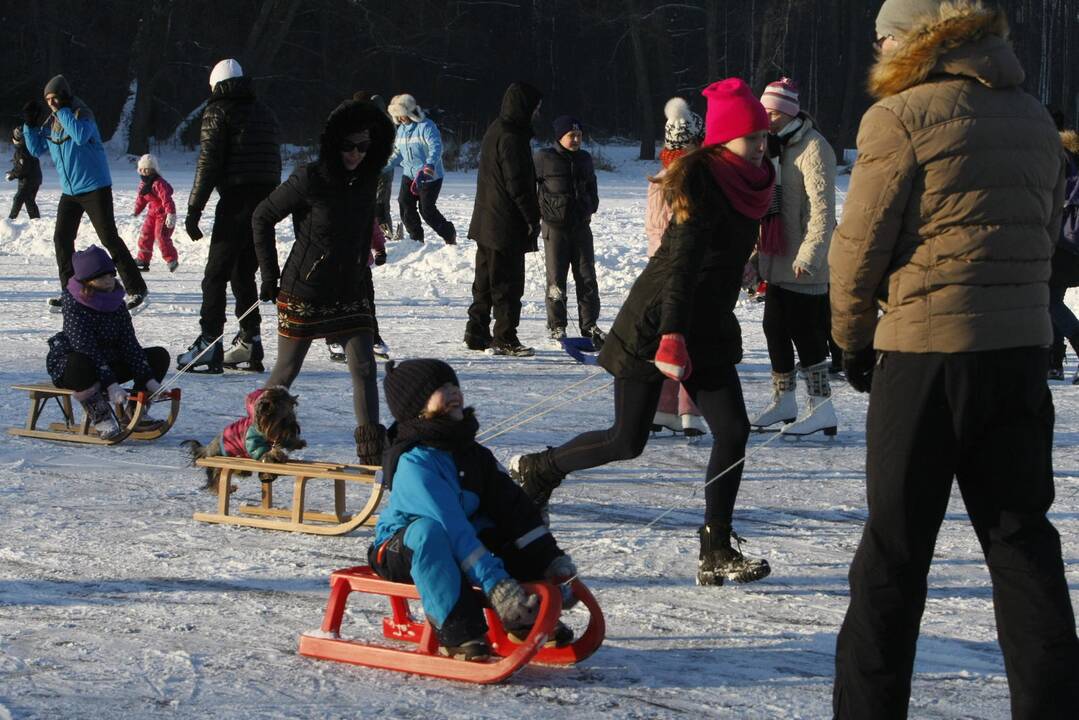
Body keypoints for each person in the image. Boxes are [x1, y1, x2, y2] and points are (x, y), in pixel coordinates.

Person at [829, 2, 1079, 717]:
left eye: (881, 35)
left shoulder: (901, 117)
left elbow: (858, 247)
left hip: (926, 358)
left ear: (912, 41)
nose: (874, 47)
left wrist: (849, 337)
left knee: (893, 555)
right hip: (1018, 354)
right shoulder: (1033, 117)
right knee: (1020, 540)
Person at [511, 78, 774, 587]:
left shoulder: (756, 180)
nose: (761, 146)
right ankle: (542, 469)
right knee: (626, 440)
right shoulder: (703, 184)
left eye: (764, 136)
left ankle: (716, 547)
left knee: (734, 431)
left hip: (710, 324)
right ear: (723, 142)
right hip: (659, 320)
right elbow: (678, 268)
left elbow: (730, 249)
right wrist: (672, 335)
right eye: (751, 138)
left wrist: (751, 262)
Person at [369, 358, 578, 660]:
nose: (453, 392)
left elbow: (515, 509)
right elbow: (452, 528)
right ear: (417, 406)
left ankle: (524, 615)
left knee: (498, 527)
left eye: (454, 384)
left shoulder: (473, 454)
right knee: (431, 533)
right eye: (441, 388)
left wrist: (551, 561)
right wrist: (497, 587)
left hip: (458, 542)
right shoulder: (415, 463)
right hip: (401, 550)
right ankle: (457, 631)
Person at [251, 99, 394, 466]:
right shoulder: (309, 178)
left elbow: (364, 235)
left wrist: (366, 288)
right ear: (333, 144)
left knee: (364, 368)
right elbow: (262, 217)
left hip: (350, 290)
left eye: (364, 147)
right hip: (306, 290)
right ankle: (253, 439)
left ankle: (372, 457)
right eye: (348, 146)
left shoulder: (367, 182)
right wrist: (269, 275)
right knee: (286, 371)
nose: (356, 154)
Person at [178, 58, 281, 374]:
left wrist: (194, 210)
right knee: (242, 272)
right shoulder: (264, 111)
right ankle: (251, 340)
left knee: (215, 274)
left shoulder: (217, 111)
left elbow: (208, 163)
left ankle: (209, 342)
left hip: (236, 200)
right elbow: (274, 160)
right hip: (265, 202)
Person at [748, 77, 838, 436]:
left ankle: (822, 407)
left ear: (787, 113)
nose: (765, 118)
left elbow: (823, 211)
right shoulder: (773, 148)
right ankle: (784, 400)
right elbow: (767, 210)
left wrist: (811, 254)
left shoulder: (815, 148)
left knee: (807, 334)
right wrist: (757, 257)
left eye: (771, 112)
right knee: (774, 329)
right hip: (778, 258)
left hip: (804, 263)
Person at [21, 75, 148, 312]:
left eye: (55, 98)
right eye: (48, 100)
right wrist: (30, 125)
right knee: (62, 239)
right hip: (70, 192)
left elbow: (80, 136)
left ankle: (136, 289)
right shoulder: (54, 120)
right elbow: (37, 149)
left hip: (95, 187)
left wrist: (63, 111)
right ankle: (70, 292)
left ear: (65, 96)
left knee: (109, 237)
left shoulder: (81, 114)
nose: (51, 104)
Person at [45, 246, 168, 439]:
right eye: (102, 278)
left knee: (158, 356)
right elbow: (86, 348)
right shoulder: (74, 304)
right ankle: (101, 416)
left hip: (108, 361)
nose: (109, 281)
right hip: (76, 367)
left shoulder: (116, 302)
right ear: (88, 281)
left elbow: (129, 343)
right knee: (80, 362)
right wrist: (111, 384)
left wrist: (149, 380)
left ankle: (136, 412)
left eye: (111, 276)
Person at [464, 81, 544, 357]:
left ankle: (476, 332)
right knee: (507, 283)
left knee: (485, 281)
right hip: (504, 224)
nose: (538, 113)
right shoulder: (512, 137)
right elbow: (518, 183)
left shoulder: (496, 128)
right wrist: (533, 217)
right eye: (536, 107)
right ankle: (505, 336)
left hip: (487, 221)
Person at [646, 97, 707, 437]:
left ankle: (668, 408)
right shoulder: (689, 179)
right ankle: (685, 410)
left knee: (670, 338)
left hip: (665, 271)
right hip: (683, 271)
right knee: (685, 338)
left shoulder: (661, 177)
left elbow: (655, 233)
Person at [534, 115, 605, 348]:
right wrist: (538, 212)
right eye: (571, 135)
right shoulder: (544, 157)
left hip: (581, 227)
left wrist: (591, 204)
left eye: (579, 136)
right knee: (556, 279)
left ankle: (589, 324)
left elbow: (592, 186)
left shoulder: (585, 158)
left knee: (587, 277)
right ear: (559, 137)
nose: (576, 140)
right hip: (555, 228)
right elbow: (529, 186)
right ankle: (557, 325)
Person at [384, 93, 456, 245]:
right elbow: (397, 153)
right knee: (404, 204)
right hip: (408, 174)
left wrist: (429, 166)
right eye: (397, 116)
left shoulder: (426, 126)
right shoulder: (401, 130)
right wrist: (381, 167)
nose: (401, 118)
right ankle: (416, 238)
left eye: (402, 114)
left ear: (410, 112)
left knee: (427, 210)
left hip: (430, 175)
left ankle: (449, 234)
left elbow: (436, 147)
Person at [1048, 123, 1079, 381]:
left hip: (1062, 243)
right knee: (1052, 299)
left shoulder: (1060, 160)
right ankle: (1054, 361)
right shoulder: (1071, 159)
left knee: (1048, 300)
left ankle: (1056, 359)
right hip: (1070, 244)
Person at [131, 153, 179, 272]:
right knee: (145, 235)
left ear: (153, 170)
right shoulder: (143, 184)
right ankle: (143, 259)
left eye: (147, 169)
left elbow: (167, 199)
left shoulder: (159, 183)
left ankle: (171, 259)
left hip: (163, 214)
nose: (144, 172)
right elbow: (141, 199)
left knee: (161, 236)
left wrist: (171, 213)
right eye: (141, 169)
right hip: (151, 213)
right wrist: (136, 211)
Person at [6, 126, 41, 219]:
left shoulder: (21, 150)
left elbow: (23, 168)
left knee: (18, 199)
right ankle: (36, 220)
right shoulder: (30, 147)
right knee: (29, 201)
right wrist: (13, 171)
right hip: (36, 179)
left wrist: (12, 175)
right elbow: (24, 166)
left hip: (27, 181)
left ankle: (10, 220)